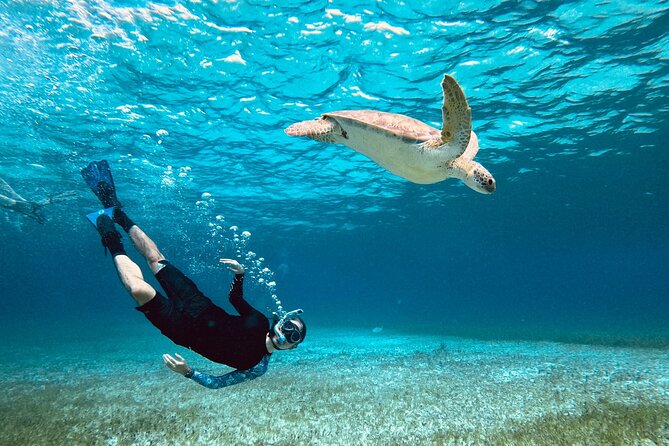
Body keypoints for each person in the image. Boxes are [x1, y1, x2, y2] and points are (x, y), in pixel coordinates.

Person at [81, 160, 306, 389]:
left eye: (293, 336)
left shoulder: (257, 366)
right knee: (157, 260)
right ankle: (117, 212)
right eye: (289, 326)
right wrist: (240, 275)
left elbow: (217, 383)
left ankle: (111, 239)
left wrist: (188, 372)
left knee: (138, 290)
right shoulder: (258, 321)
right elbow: (235, 300)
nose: (287, 334)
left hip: (181, 330)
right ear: (281, 321)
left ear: (292, 347)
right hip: (198, 304)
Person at [0, 176, 75, 224]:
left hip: (20, 204)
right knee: (9, 193)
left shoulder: (33, 212)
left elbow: (44, 204)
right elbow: (44, 204)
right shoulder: (33, 212)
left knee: (9, 192)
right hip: (17, 204)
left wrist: (54, 199)